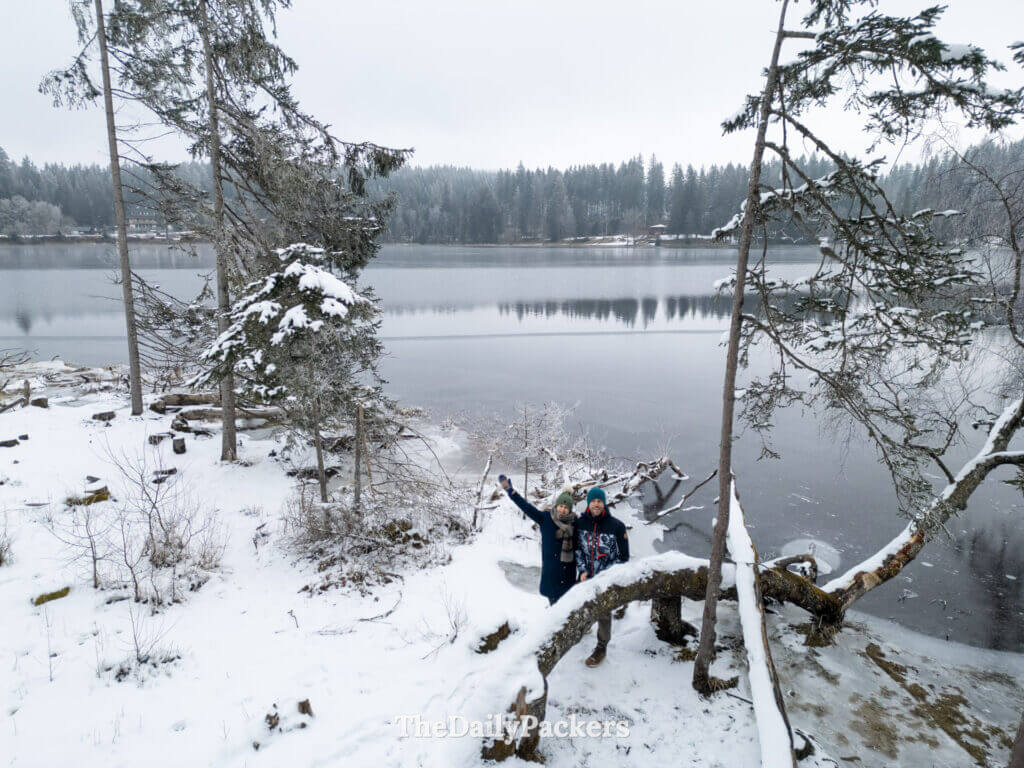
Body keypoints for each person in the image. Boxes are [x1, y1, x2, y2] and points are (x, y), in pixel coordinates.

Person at [498, 474, 578, 605]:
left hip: (567, 576)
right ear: (556, 505)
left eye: (566, 507)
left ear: (570, 509)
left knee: (567, 612)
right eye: (561, 506)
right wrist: (512, 493)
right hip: (551, 575)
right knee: (554, 609)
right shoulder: (545, 518)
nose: (563, 510)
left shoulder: (575, 523)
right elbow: (526, 507)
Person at [575, 486, 629, 667]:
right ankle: (585, 626)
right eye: (593, 501)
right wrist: (582, 570)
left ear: (604, 503)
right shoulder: (580, 523)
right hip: (585, 577)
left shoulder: (616, 527)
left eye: (599, 501)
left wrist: (606, 575)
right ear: (588, 503)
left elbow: (624, 557)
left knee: (604, 613)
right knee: (584, 604)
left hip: (606, 580)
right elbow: (578, 550)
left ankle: (602, 646)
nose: (596, 504)